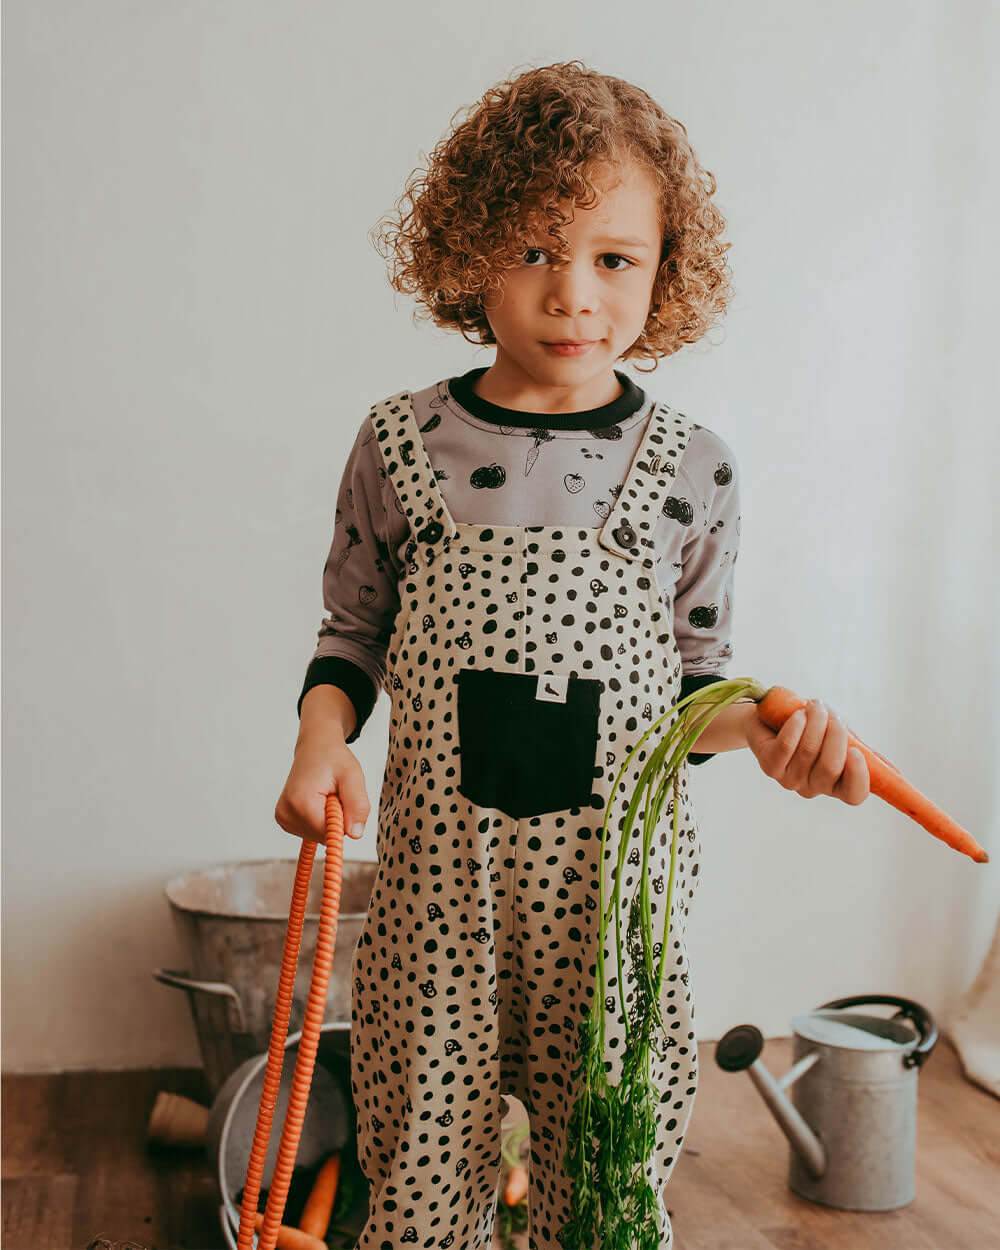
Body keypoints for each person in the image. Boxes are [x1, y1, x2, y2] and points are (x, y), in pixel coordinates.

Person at [275, 60, 871, 1250]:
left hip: (612, 915)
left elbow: (695, 689)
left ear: (664, 269)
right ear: (467, 250)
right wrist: (318, 743)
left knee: (600, 1188)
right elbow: (351, 635)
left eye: (613, 258)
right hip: (437, 899)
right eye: (535, 249)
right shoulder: (401, 444)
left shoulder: (693, 466)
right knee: (414, 1174)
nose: (572, 293)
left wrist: (767, 732)